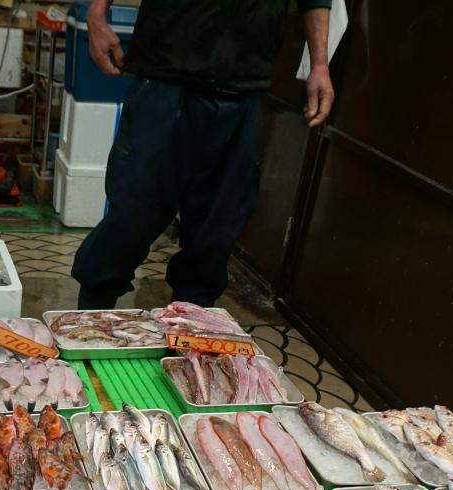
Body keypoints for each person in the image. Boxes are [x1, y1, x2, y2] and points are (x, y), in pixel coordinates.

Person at [71, 0, 335, 309]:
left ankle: (188, 330)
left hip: (245, 88)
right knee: (131, 216)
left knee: (215, 234)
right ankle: (87, 322)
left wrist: (320, 63)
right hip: (166, 75)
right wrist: (97, 15)